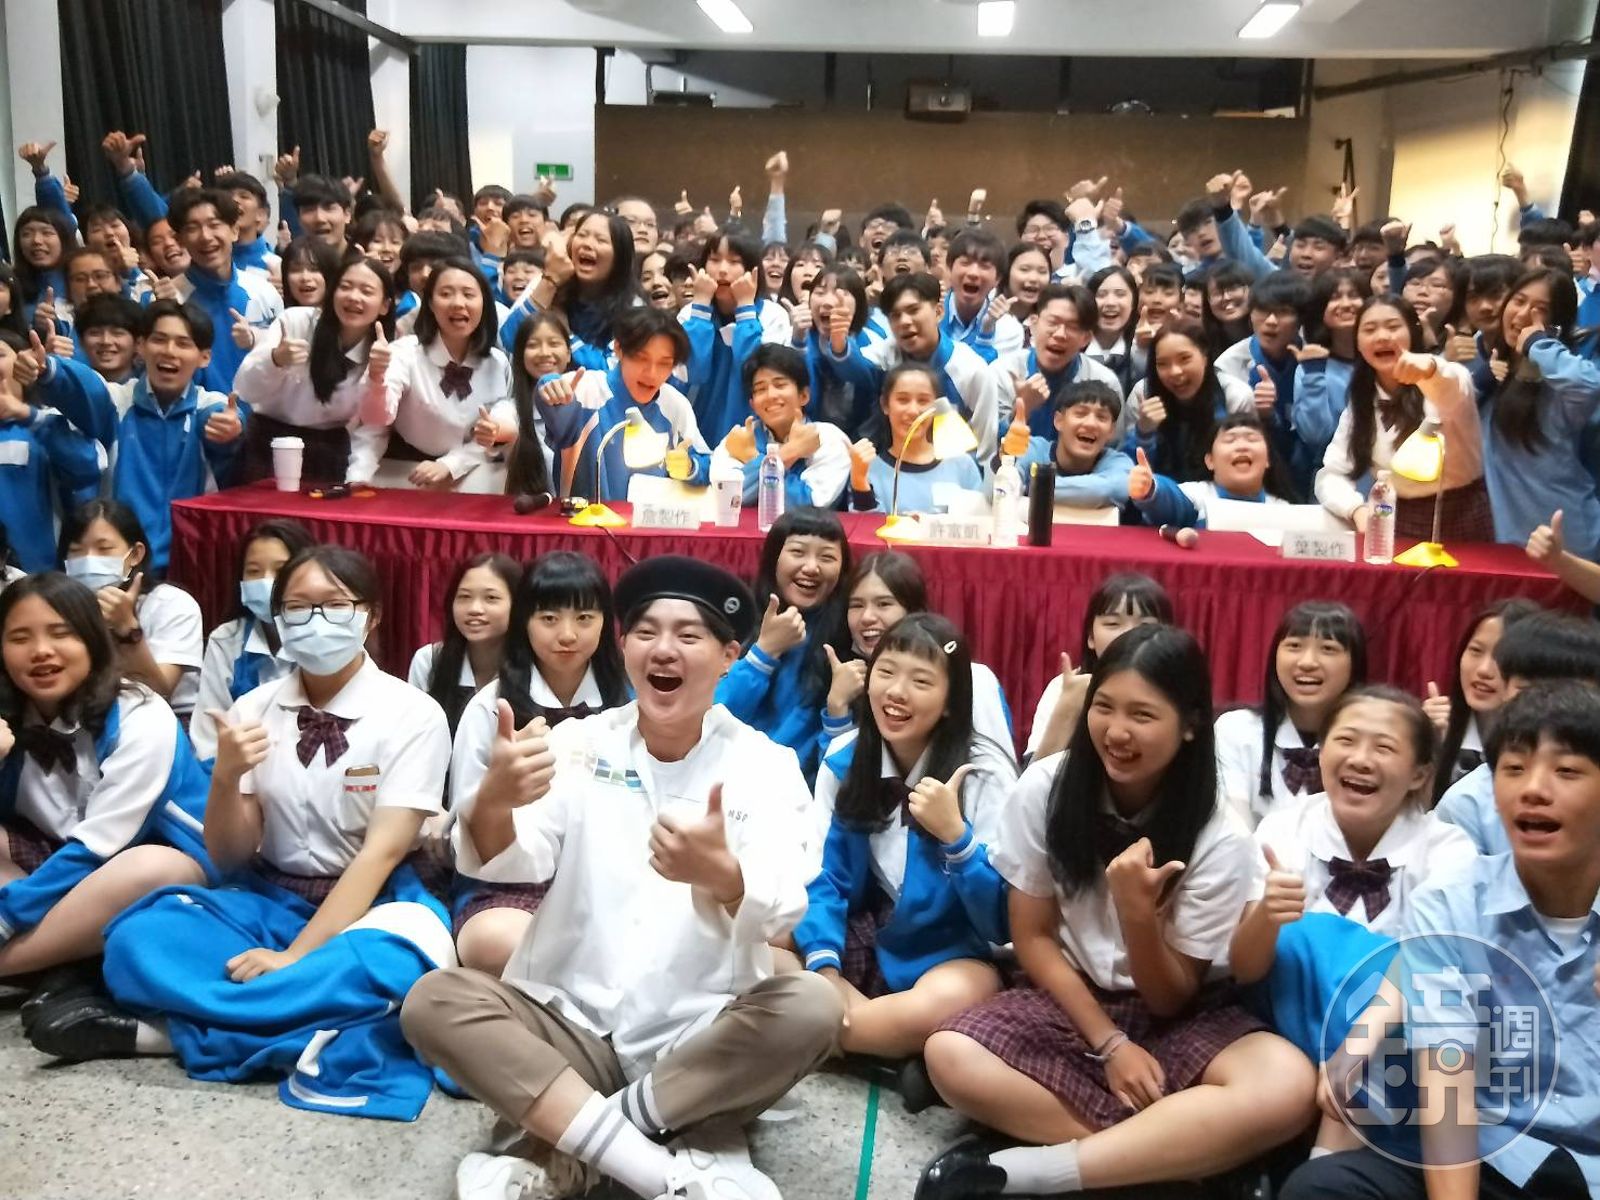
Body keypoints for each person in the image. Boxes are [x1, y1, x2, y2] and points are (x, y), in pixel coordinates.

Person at [402, 555, 842, 1200]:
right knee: (434, 1000)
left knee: (813, 1005)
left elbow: (783, 910)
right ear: (626, 647)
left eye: (688, 636)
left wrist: (724, 877)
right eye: (645, 633)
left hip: (698, 1033)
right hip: (571, 1024)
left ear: (729, 656)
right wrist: (492, 801)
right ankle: (657, 1168)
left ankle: (579, 1141)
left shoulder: (765, 766)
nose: (663, 650)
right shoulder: (579, 743)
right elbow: (512, 861)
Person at [60, 547, 456, 1123]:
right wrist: (225, 777)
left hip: (376, 901)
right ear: (278, 618)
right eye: (297, 607)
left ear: (370, 616)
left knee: (386, 967)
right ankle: (296, 1021)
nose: (315, 621)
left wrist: (294, 957)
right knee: (136, 937)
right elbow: (228, 856)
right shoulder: (252, 708)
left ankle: (168, 1034)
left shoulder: (413, 714)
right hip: (268, 895)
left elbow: (381, 854)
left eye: (334, 605)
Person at [917, 625, 1314, 1198]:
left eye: (1143, 715)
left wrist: (1138, 915)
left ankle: (1047, 1169)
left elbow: (1171, 997)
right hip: (1069, 997)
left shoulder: (1220, 833)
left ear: (1191, 724)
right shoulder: (1047, 788)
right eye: (1103, 707)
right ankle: (1185, 1158)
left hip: (1185, 1013)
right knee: (949, 1055)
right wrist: (1109, 1044)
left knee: (1288, 1084)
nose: (1117, 732)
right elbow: (1032, 937)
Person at [1281, 681, 1600, 1200]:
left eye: (1566, 772)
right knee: (1322, 1188)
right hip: (1495, 1155)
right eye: (1513, 769)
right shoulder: (1453, 903)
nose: (1534, 789)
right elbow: (1447, 1081)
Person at [1231, 687, 1477, 1156]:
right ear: (1322, 752)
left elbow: (1435, 970)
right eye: (1345, 740)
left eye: (1384, 747)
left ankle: (1325, 1162)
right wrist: (1265, 917)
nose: (1360, 759)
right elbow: (1244, 970)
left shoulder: (1449, 849)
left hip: (1388, 1045)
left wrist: (1356, 1046)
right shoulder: (1284, 828)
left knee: (1401, 970)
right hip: (1284, 1016)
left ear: (1419, 772)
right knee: (1309, 939)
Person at [798, 615, 1015, 1085]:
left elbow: (1003, 922)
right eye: (886, 672)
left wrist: (958, 840)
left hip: (955, 948)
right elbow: (824, 877)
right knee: (768, 948)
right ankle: (886, 1047)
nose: (896, 692)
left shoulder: (984, 775)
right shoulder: (846, 758)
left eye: (921, 681)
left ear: (952, 702)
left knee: (956, 995)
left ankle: (827, 1034)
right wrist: (826, 974)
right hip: (875, 930)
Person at [0, 573, 211, 989]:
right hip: (58, 860)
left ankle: (17, 961)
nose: (40, 651)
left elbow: (102, 845)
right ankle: (64, 957)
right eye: (20, 638)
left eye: (61, 633)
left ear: (94, 641)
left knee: (153, 867)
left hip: (145, 862)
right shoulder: (10, 715)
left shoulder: (141, 713)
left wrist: (7, 915)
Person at [447, 551, 629, 976]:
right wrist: (499, 794)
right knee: (496, 943)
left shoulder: (628, 702)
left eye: (584, 618)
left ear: (606, 623)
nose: (567, 635)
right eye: (548, 618)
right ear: (524, 621)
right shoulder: (491, 707)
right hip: (507, 881)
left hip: (606, 876)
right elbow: (462, 828)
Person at [19, 300, 246, 571]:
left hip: (190, 562)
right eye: (159, 340)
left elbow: (224, 417)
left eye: (183, 343)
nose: (169, 351)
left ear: (204, 357)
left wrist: (230, 427)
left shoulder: (209, 405)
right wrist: (49, 370)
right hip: (120, 562)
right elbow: (88, 388)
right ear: (141, 346)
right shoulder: (117, 401)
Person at [1314, 296, 1488, 541]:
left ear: (1413, 333)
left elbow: (1452, 383)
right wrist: (1355, 510)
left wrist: (1429, 368)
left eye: (1393, 326)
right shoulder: (1361, 401)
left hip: (1460, 514)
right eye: (1369, 330)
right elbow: (1331, 473)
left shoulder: (1446, 378)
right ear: (1358, 344)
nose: (1382, 336)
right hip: (1394, 515)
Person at [1434, 611, 1600, 856]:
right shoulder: (1467, 803)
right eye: (1528, 690)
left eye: (1570, 692)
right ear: (1503, 691)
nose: (1549, 706)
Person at [829, 552, 1016, 768]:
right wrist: (837, 707)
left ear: (913, 610)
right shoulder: (843, 674)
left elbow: (996, 770)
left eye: (884, 604)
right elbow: (836, 773)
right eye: (856, 605)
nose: (867, 617)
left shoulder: (974, 678)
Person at [352, 257, 516, 493]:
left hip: (468, 473)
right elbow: (376, 419)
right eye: (446, 294)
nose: (458, 303)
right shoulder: (405, 353)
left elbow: (501, 421)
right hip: (403, 472)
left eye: (468, 294)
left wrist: (452, 464)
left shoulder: (497, 362)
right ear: (430, 302)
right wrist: (376, 379)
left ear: (484, 303)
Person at [232, 254, 395, 486]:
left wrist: (358, 475)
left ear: (385, 305)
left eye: (366, 291)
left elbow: (374, 424)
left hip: (328, 450)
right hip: (270, 442)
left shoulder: (382, 352)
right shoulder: (296, 322)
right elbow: (246, 389)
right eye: (345, 287)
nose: (353, 297)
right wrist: (275, 359)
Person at [716, 508, 852, 783]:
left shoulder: (846, 636)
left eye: (826, 557)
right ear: (773, 558)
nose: (811, 567)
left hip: (801, 789)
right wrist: (764, 653)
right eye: (798, 552)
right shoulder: (735, 621)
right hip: (723, 780)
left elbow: (843, 762)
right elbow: (711, 719)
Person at [1477, 267, 1600, 558]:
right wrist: (1478, 381)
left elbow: (1589, 384)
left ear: (1556, 323)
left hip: (1568, 544)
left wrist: (1538, 344)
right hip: (1506, 544)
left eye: (1540, 309)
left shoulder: (1559, 383)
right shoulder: (1490, 370)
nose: (1522, 315)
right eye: (1518, 301)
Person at [1214, 601, 1366, 826]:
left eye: (1328, 649)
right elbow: (1233, 829)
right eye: (1294, 646)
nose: (1307, 662)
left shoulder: (1370, 743)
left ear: (1355, 664)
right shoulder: (1236, 730)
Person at [536, 306, 710, 502]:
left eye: (664, 363)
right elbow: (552, 396)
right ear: (618, 349)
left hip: (649, 519)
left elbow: (707, 463)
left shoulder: (675, 405)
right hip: (583, 519)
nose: (652, 373)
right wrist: (549, 385)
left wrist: (690, 467)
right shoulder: (585, 389)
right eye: (641, 358)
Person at [826, 273, 1004, 458]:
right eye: (895, 316)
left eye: (913, 310)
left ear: (938, 312)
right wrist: (839, 342)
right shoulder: (889, 352)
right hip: (892, 462)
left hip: (953, 469)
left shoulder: (971, 370)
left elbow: (984, 449)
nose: (904, 321)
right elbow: (856, 369)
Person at [59, 500, 204, 723]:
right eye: (76, 551)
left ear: (135, 554)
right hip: (84, 716)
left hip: (166, 717)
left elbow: (160, 691)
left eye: (104, 549)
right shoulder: (59, 607)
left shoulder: (172, 603)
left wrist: (127, 629)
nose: (88, 560)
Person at [189, 520, 316, 763]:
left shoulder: (326, 639)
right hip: (237, 772)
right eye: (254, 571)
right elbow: (208, 739)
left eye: (281, 570)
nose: (267, 581)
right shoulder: (226, 640)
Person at [1024, 573, 1174, 762]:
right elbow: (1034, 776)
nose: (1128, 634)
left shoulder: (1177, 690)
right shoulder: (1065, 688)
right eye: (1113, 623)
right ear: (1091, 638)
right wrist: (1068, 708)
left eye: (1145, 626)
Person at [0, 331, 101, 574]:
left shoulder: (48, 422)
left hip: (39, 580)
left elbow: (88, 467)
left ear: (23, 362)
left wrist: (26, 415)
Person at [680, 228, 793, 445]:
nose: (722, 270)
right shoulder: (689, 315)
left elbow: (753, 375)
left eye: (734, 262)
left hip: (754, 437)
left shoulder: (773, 315)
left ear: (752, 270)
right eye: (714, 260)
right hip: (697, 435)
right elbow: (695, 372)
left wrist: (745, 309)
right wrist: (701, 305)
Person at [166, 189, 284, 393]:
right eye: (192, 228)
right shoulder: (170, 300)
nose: (205, 236)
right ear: (180, 240)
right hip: (205, 412)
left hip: (266, 411)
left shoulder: (264, 291)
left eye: (214, 225)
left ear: (234, 231)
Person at [710, 344, 850, 511]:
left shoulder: (827, 438)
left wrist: (752, 459)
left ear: (804, 396)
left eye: (780, 385)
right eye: (760, 389)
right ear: (753, 405)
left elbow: (808, 503)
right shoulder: (741, 437)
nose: (771, 395)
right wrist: (789, 452)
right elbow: (727, 497)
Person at [1425, 599, 1541, 800]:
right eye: (1476, 651)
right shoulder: (1441, 726)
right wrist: (1423, 743)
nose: (1484, 670)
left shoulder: (1550, 742)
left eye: (1502, 658)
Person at [1214, 272, 1314, 497]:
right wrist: (1264, 416)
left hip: (1309, 471)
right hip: (1253, 474)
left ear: (1300, 319)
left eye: (1283, 312)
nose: (1271, 321)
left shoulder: (1315, 358)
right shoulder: (1229, 365)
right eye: (1262, 310)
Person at [991, 283, 1125, 444]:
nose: (1060, 334)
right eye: (1053, 322)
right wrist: (1022, 409)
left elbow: (1112, 447)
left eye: (1072, 327)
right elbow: (991, 445)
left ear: (1086, 338)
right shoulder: (1003, 372)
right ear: (1033, 324)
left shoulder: (1104, 382)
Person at [1126, 318, 1254, 484]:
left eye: (1184, 359)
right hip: (1158, 492)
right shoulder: (1143, 394)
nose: (1175, 371)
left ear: (1205, 356)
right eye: (1162, 364)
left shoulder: (1234, 395)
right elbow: (1129, 472)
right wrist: (1144, 433)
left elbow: (1246, 462)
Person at [847, 363, 984, 515]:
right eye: (903, 400)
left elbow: (980, 521)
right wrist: (859, 481)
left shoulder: (962, 465)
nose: (913, 411)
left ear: (936, 407)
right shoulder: (867, 469)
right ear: (885, 405)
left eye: (923, 401)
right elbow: (866, 528)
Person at [408, 553, 519, 737]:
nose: (474, 609)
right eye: (464, 597)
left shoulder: (534, 666)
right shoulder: (429, 661)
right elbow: (415, 735)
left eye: (491, 598)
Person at [1126, 412, 1292, 528]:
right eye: (1230, 440)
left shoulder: (1284, 511)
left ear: (1268, 459)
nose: (1242, 446)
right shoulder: (1196, 496)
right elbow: (1171, 500)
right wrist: (1150, 488)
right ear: (1210, 461)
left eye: (1252, 439)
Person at [1003, 379, 1133, 511]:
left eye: (1101, 417)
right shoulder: (1032, 448)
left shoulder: (1119, 462)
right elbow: (1002, 486)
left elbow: (1109, 490)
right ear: (1059, 421)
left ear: (1111, 431)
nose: (1090, 424)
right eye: (1081, 414)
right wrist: (1006, 453)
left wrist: (1033, 486)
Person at [1289, 267, 1370, 477]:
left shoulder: (1381, 359)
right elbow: (1316, 436)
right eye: (1334, 298)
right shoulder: (1309, 367)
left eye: (1354, 295)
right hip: (1332, 471)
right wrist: (1314, 374)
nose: (1345, 304)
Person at [504, 310, 570, 499]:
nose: (544, 353)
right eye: (533, 345)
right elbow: (501, 424)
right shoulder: (511, 410)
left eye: (554, 343)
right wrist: (494, 431)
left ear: (568, 353)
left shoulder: (589, 402)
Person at [942, 229, 1024, 363]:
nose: (973, 273)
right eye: (965, 263)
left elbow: (984, 376)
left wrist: (986, 333)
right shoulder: (926, 315)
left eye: (984, 266)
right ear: (949, 269)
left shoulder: (1008, 328)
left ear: (997, 279)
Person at [71, 294, 142, 384]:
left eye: (117, 333)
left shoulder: (150, 387)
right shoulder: (73, 386)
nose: (106, 341)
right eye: (95, 333)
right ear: (81, 341)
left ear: (138, 343)